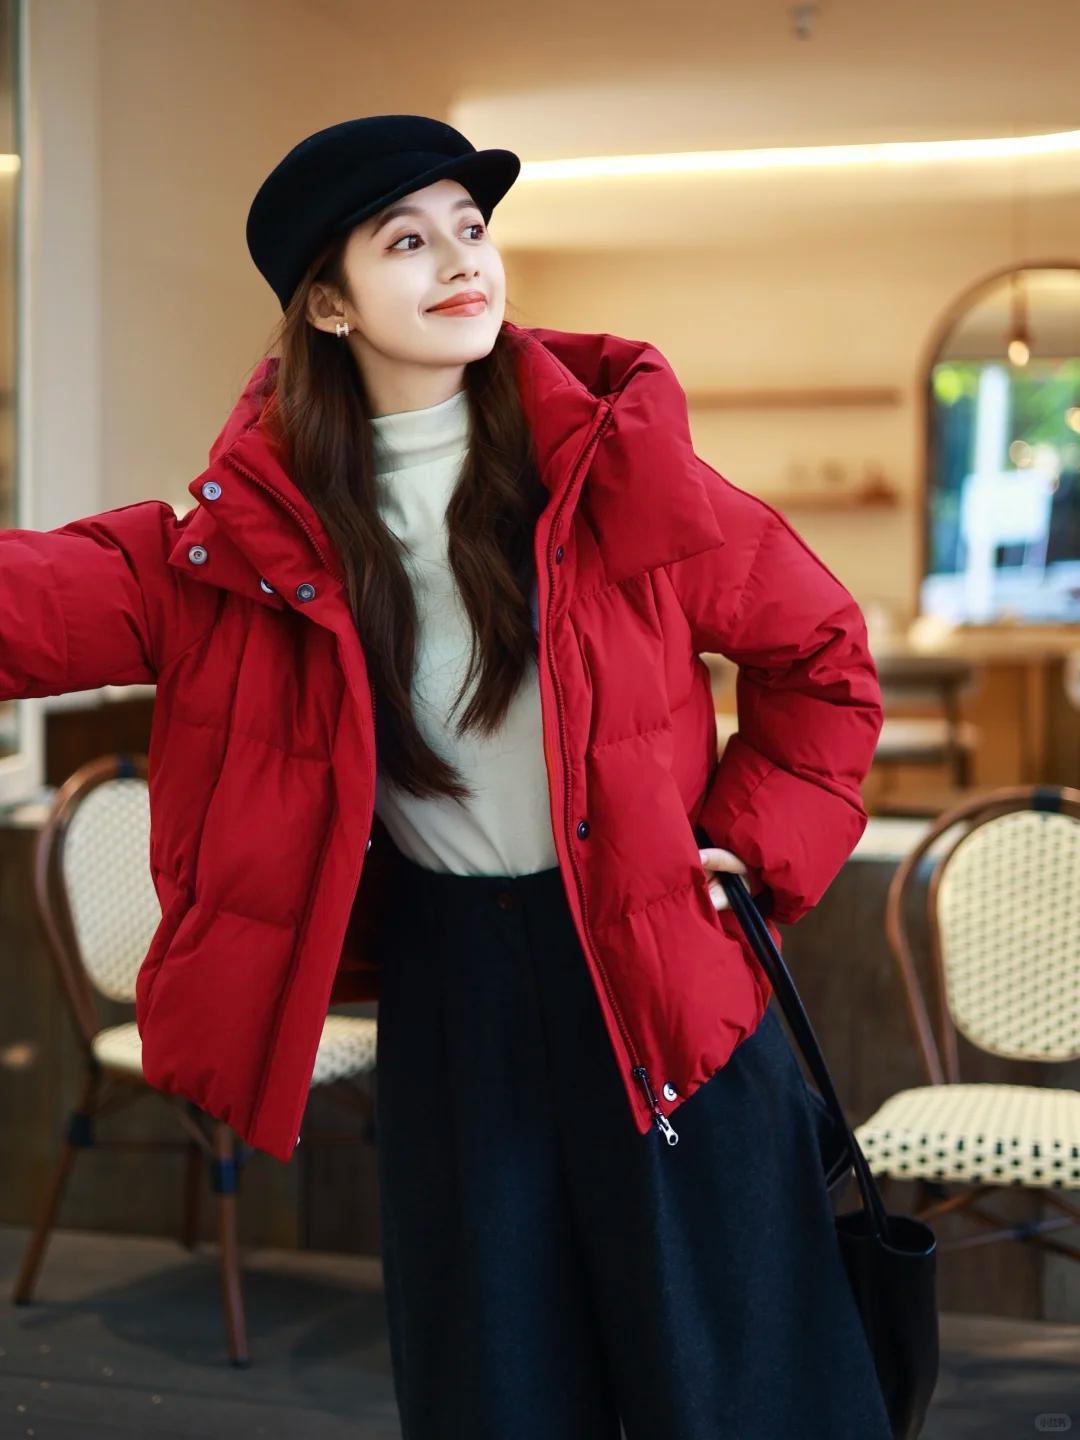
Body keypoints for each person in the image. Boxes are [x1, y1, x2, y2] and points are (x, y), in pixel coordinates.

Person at [0, 115, 892, 1438]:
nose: (463, 260)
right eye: (406, 241)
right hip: (454, 983)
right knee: (496, 1381)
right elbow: (36, 604)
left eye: (471, 230)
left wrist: (753, 845)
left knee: (730, 1383)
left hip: (654, 974)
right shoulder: (250, 543)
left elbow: (823, 654)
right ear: (328, 303)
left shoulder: (609, 473)